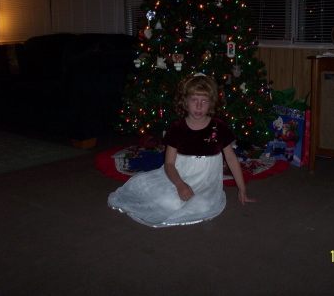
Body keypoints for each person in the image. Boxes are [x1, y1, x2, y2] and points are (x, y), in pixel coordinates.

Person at [108, 73, 256, 227]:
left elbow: (231, 159)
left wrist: (242, 188)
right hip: (180, 175)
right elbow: (169, 164)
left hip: (206, 180)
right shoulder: (177, 128)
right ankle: (176, 194)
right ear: (185, 101)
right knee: (168, 201)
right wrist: (180, 184)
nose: (199, 106)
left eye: (204, 101)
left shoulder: (219, 127)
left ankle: (193, 199)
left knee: (203, 206)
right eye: (194, 100)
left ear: (211, 103)